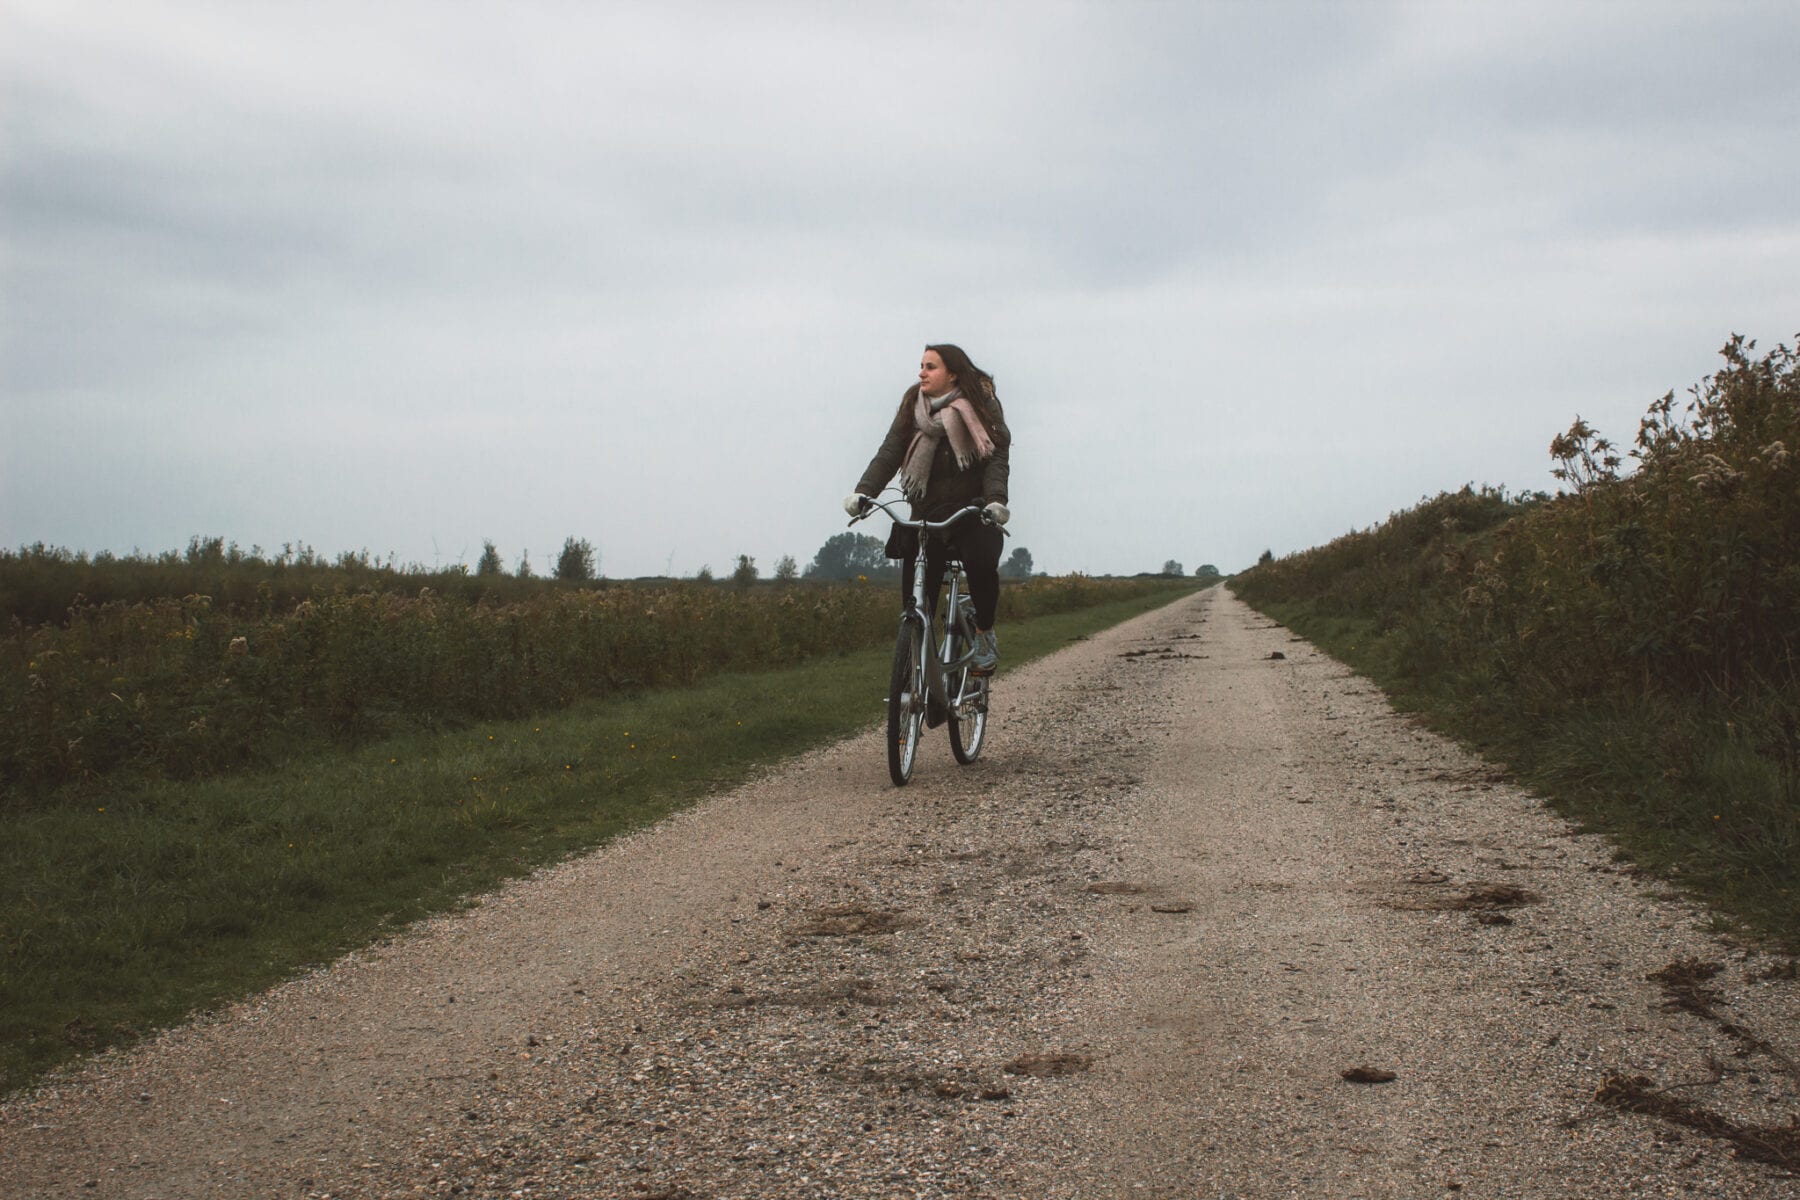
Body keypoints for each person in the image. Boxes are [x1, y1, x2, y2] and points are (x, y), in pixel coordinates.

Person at [845, 344, 1011, 674]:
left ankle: (983, 633)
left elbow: (996, 458)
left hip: (972, 512)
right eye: (921, 365)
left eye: (931, 366)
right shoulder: (913, 404)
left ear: (952, 374)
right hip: (926, 513)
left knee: (981, 562)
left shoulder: (980, 404)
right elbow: (890, 453)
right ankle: (918, 660)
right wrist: (863, 492)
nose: (922, 372)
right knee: (916, 598)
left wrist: (996, 501)